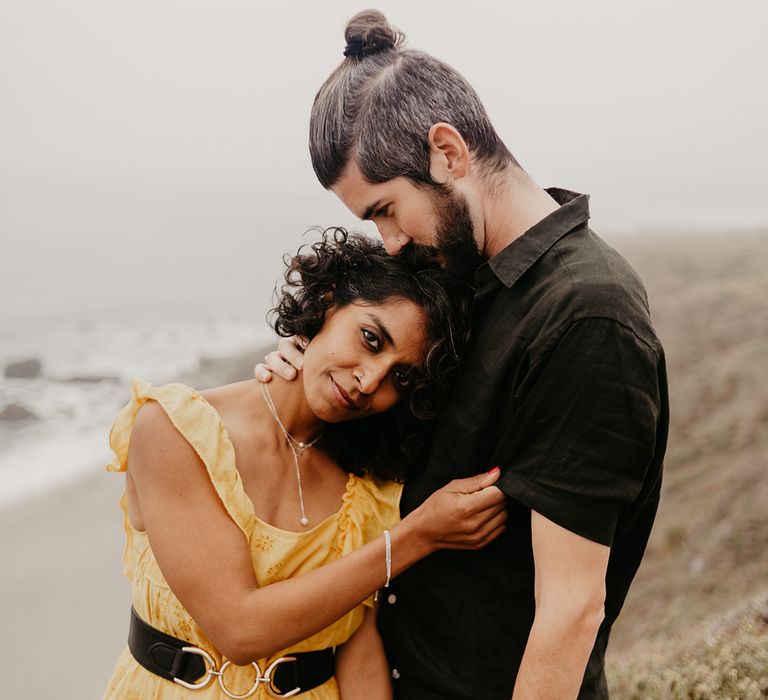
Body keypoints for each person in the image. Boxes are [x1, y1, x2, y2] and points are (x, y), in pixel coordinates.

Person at [256, 10, 669, 700]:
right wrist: (299, 381)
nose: (388, 241)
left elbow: (572, 612)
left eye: (386, 209)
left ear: (448, 152)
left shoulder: (587, 316)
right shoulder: (458, 278)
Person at [103, 230, 507, 699]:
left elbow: (355, 645)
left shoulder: (367, 485)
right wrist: (419, 535)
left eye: (401, 377)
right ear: (328, 302)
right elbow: (239, 629)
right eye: (371, 338)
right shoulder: (174, 431)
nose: (369, 380)